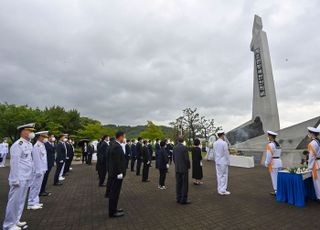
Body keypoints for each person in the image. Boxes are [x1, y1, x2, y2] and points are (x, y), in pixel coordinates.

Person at [3, 123, 36, 230]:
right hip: (19, 178)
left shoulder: (29, 144)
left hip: (26, 176)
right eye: (29, 130)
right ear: (22, 131)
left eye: (32, 131)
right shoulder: (18, 144)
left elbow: (29, 161)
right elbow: (14, 163)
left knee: (21, 201)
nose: (32, 133)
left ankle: (16, 220)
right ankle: (8, 225)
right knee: (13, 201)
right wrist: (14, 179)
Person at [27, 131, 49, 210]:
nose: (45, 138)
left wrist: (44, 168)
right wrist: (39, 170)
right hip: (37, 170)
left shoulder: (42, 145)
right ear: (40, 137)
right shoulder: (37, 146)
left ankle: (35, 202)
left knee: (38, 187)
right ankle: (31, 203)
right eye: (44, 137)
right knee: (34, 186)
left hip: (42, 169)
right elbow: (36, 160)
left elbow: (43, 159)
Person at [108, 131, 127, 218]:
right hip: (116, 174)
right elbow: (116, 162)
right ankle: (112, 212)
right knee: (114, 193)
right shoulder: (116, 147)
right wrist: (119, 172)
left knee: (115, 192)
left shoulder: (114, 145)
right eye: (124, 137)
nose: (124, 139)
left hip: (114, 173)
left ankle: (114, 209)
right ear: (120, 137)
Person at [173, 136, 191, 204]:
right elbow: (187, 159)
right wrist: (188, 166)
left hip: (177, 168)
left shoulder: (174, 148)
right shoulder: (184, 148)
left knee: (178, 183)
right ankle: (183, 199)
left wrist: (177, 165)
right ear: (183, 141)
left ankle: (178, 198)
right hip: (184, 169)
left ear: (177, 140)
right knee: (184, 184)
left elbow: (174, 158)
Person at [264, 131, 282, 196]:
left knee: (274, 177)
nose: (268, 137)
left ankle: (276, 191)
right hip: (279, 161)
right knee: (279, 177)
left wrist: (266, 163)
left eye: (268, 136)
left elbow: (269, 156)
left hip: (273, 162)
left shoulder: (270, 145)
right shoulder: (278, 144)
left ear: (271, 137)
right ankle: (280, 190)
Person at [213, 130, 231, 196]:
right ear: (222, 135)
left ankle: (219, 189)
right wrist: (228, 161)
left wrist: (216, 160)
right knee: (224, 175)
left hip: (217, 161)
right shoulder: (224, 143)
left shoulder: (214, 143)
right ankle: (223, 190)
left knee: (219, 175)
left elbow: (214, 153)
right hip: (223, 161)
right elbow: (226, 153)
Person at [307, 127, 320, 200]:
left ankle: (319, 197)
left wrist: (309, 167)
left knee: (317, 182)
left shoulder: (312, 143)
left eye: (309, 133)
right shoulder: (319, 141)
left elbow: (311, 157)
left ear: (312, 134)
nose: (308, 134)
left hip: (316, 164)